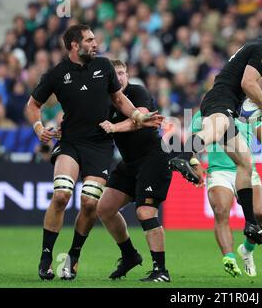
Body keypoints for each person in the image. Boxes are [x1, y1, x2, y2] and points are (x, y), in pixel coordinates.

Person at [25, 24, 163, 281]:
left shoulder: (104, 66)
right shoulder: (57, 73)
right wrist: (38, 126)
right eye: (89, 40)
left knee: (89, 203)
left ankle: (73, 256)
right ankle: (46, 257)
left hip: (99, 145)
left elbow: (119, 98)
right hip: (70, 142)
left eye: (94, 39)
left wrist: (136, 116)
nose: (95, 43)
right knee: (62, 195)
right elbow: (33, 104)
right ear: (74, 45)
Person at [169, 20, 262, 246]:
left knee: (246, 162)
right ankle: (181, 156)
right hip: (221, 100)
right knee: (217, 126)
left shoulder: (255, 46)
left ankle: (251, 223)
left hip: (223, 100)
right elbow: (248, 83)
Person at [97, 60, 172, 282]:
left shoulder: (136, 92)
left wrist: (113, 127)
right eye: (115, 74)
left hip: (153, 157)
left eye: (122, 73)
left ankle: (161, 271)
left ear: (127, 75)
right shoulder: (105, 101)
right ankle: (129, 255)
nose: (119, 77)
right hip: (129, 163)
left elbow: (141, 119)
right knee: (105, 209)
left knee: (145, 212)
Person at [191, 111, 262, 277]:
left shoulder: (248, 112)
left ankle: (247, 250)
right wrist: (195, 163)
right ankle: (229, 258)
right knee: (221, 211)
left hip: (247, 170)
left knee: (259, 212)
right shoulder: (203, 113)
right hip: (219, 171)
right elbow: (193, 143)